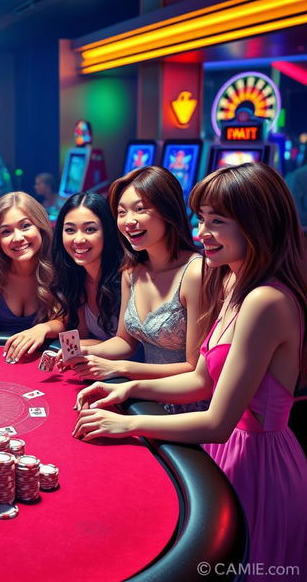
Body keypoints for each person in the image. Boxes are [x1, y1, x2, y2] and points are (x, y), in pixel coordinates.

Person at [74, 162, 307, 576]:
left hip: (258, 462)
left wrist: (127, 425)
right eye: (201, 219)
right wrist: (127, 391)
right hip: (223, 450)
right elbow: (201, 378)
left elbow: (218, 419)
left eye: (217, 222)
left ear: (257, 223)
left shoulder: (265, 300)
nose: (202, 234)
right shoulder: (235, 282)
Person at [61, 166, 206, 413]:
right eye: (121, 212)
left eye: (140, 209)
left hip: (190, 408)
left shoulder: (195, 272)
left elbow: (195, 369)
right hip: (146, 401)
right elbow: (124, 342)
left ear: (167, 210)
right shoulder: (132, 271)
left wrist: (121, 369)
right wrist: (82, 350)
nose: (129, 221)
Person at [0, 192, 62, 362]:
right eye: (6, 231)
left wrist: (43, 328)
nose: (18, 238)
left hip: (41, 363)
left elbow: (67, 321)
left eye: (25, 226)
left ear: (40, 226)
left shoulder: (60, 265)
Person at [51, 192, 123, 345]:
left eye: (90, 229)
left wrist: (68, 347)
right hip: (103, 366)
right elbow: (84, 337)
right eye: (70, 230)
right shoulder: (77, 278)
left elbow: (128, 346)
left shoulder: (127, 277)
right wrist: (41, 330)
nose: (78, 240)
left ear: (107, 232)